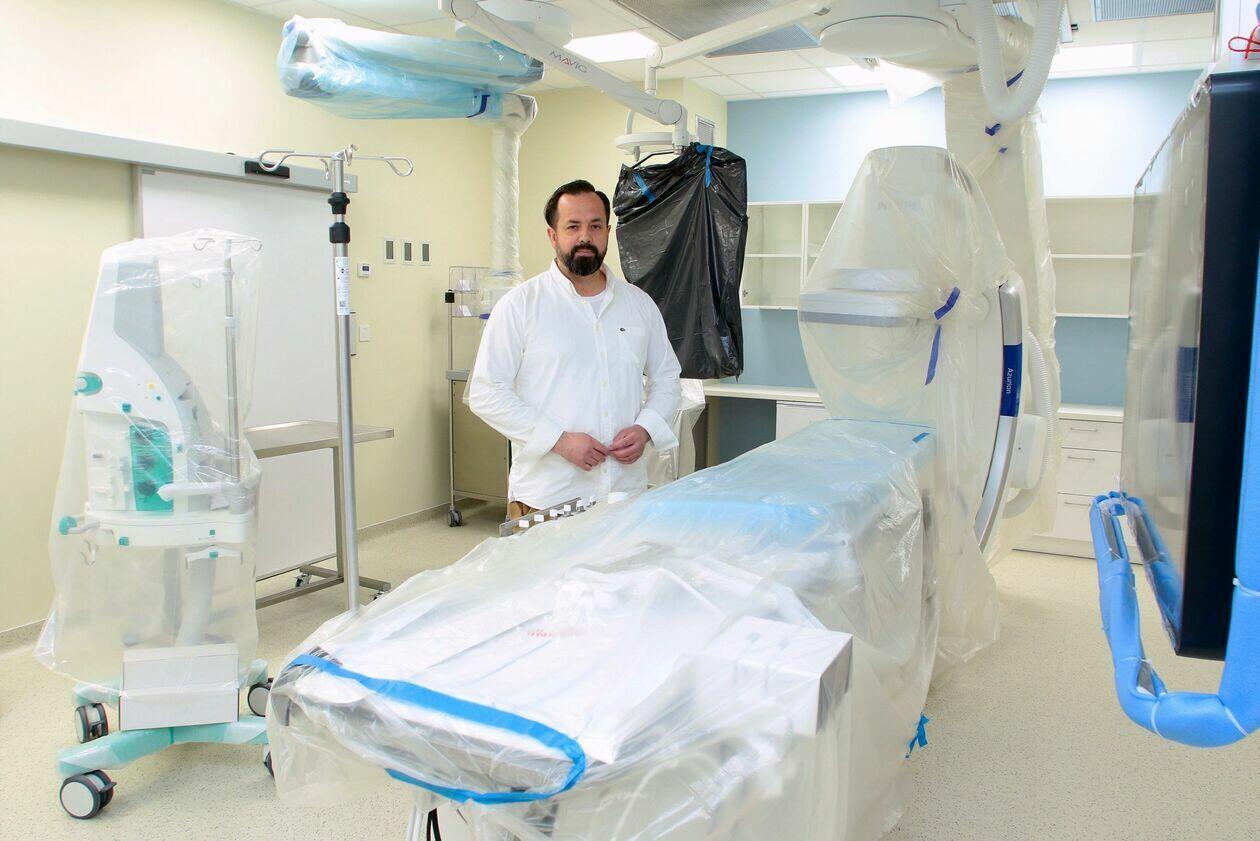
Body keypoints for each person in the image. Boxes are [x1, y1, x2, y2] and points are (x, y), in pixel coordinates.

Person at [469, 179, 682, 519]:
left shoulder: (639, 305)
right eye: (573, 226)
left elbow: (668, 379)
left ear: (608, 232)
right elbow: (486, 392)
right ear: (553, 235)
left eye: (595, 226)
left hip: (623, 495)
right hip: (547, 498)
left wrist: (645, 429)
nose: (585, 237)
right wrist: (559, 440)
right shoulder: (521, 305)